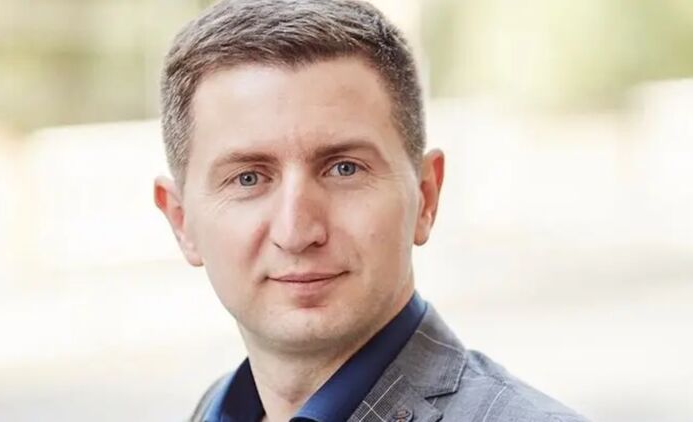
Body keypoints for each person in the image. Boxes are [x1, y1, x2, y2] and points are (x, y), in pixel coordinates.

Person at [153, 0, 588, 421]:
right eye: (248, 178)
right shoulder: (212, 409)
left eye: (344, 168)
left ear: (426, 196)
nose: (297, 232)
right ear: (181, 221)